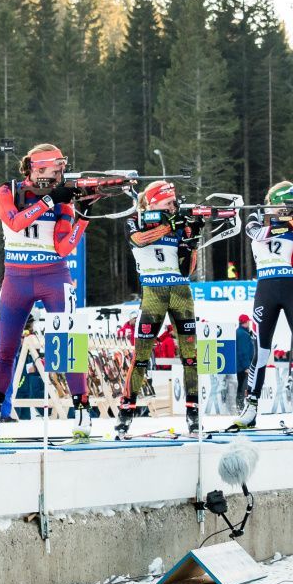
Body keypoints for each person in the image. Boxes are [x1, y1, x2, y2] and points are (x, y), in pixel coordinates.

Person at [0, 144, 91, 439]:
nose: (61, 175)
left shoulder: (62, 200)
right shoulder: (7, 191)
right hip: (16, 278)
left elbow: (63, 247)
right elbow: (15, 221)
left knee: (69, 341)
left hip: (54, 275)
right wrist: (49, 201)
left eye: (63, 170)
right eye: (56, 170)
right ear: (37, 169)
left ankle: (82, 410)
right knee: (6, 349)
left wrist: (82, 217)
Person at [233, 181, 293, 430]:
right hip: (266, 289)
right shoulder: (257, 216)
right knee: (259, 352)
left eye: (292, 207)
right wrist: (291, 225)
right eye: (286, 206)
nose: (290, 211)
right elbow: (256, 233)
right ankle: (250, 407)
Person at [117, 181, 201, 437]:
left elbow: (188, 269)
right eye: (168, 203)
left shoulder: (179, 223)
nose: (174, 206)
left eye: (174, 202)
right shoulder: (135, 219)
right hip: (152, 293)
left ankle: (193, 412)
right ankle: (125, 411)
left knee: (190, 356)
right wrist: (168, 226)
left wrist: (192, 239)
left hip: (180, 293)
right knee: (141, 356)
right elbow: (139, 240)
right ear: (152, 203)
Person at [235, 314, 255, 410]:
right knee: (243, 387)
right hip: (243, 367)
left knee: (241, 386)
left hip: (240, 366)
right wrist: (247, 366)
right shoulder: (243, 334)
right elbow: (243, 352)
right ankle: (240, 407)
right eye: (248, 322)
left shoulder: (241, 332)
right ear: (246, 322)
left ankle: (240, 407)